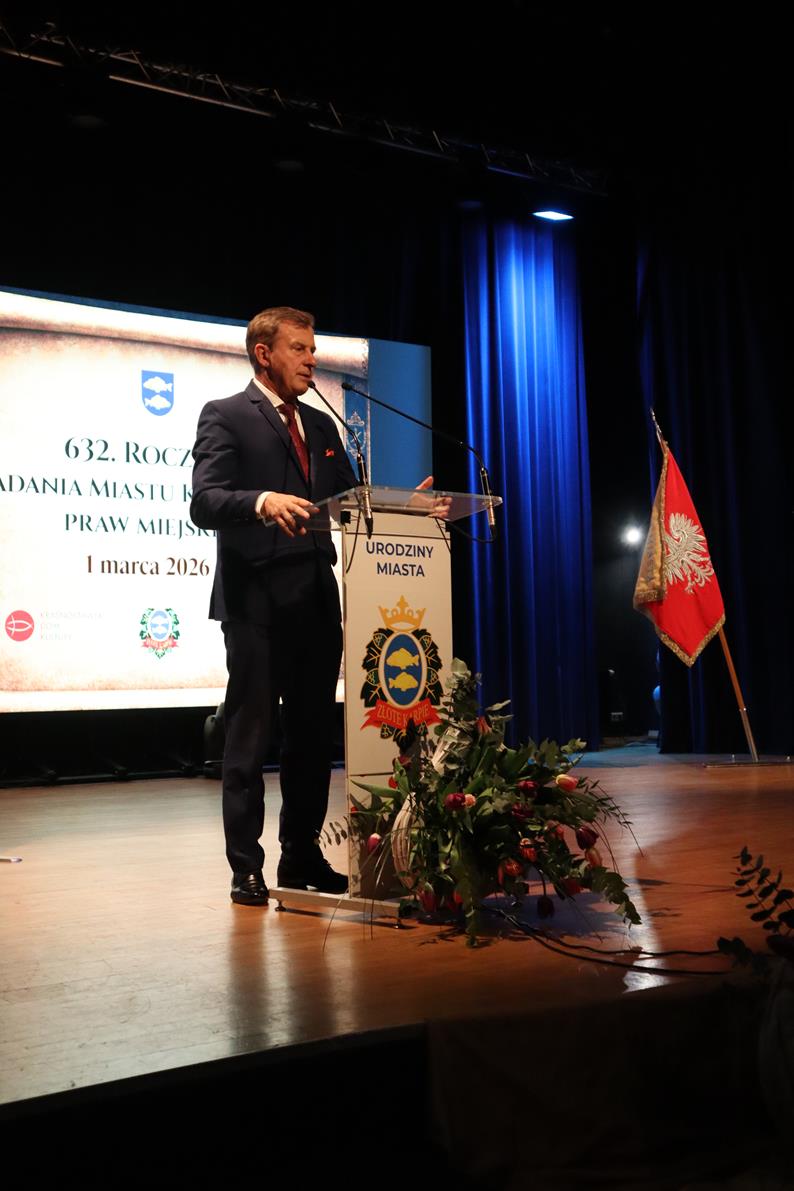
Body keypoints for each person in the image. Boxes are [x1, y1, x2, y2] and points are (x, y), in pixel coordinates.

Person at [190, 306, 359, 905]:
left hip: (315, 600)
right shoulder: (227, 414)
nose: (312, 359)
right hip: (255, 601)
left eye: (314, 349)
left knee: (311, 740)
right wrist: (261, 500)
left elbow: (350, 501)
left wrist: (403, 507)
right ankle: (246, 866)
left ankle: (301, 856)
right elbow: (205, 501)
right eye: (299, 348)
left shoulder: (322, 426)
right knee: (249, 738)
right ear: (264, 354)